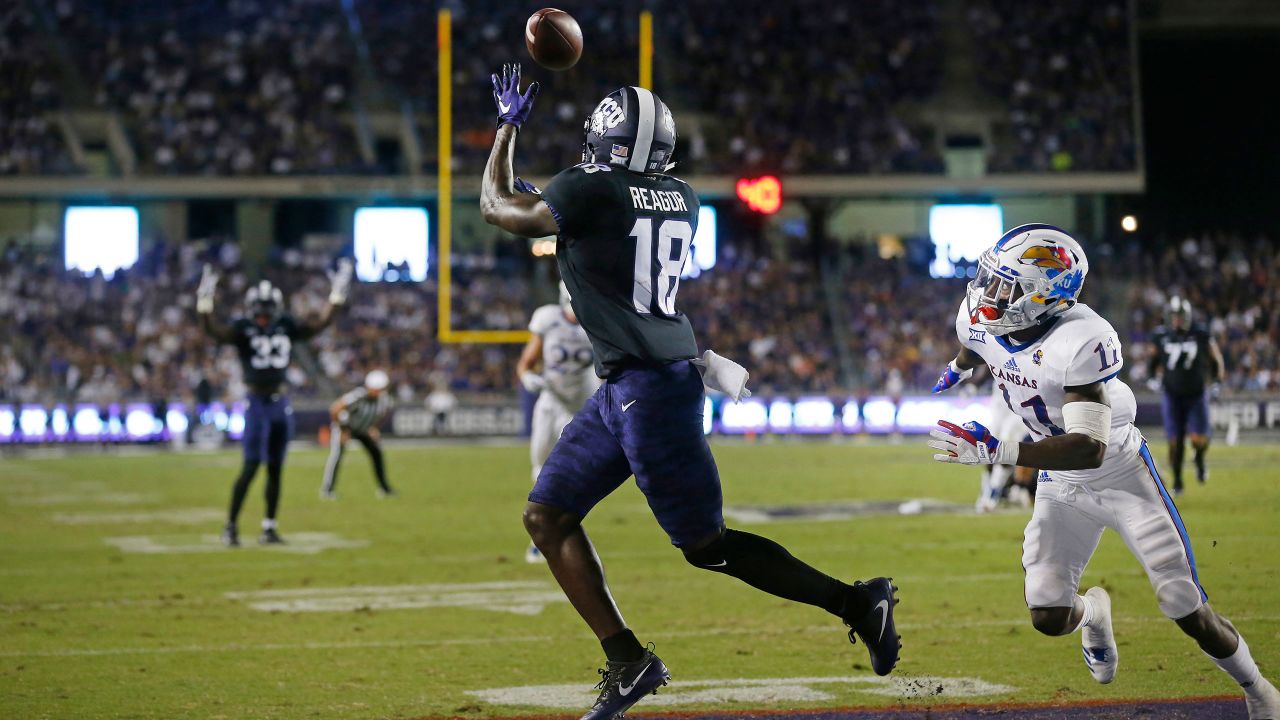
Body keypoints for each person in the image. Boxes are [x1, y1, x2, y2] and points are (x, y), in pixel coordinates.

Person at [479, 63, 900, 720]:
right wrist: (550, 194)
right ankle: (628, 663)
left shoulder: (589, 188)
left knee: (709, 548)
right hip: (631, 384)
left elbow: (497, 209)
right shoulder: (682, 197)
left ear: (604, 139)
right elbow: (583, 215)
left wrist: (506, 129)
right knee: (546, 516)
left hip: (652, 393)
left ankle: (858, 603)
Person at [929, 224, 1277, 718]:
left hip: (1117, 473)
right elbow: (972, 346)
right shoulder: (978, 315)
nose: (988, 294)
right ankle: (1094, 613)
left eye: (1007, 286)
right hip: (1062, 482)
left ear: (1046, 294)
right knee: (1048, 612)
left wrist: (999, 450)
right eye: (991, 279)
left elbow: (1087, 449)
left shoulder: (1083, 339)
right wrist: (957, 370)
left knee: (1182, 601)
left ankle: (1258, 688)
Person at [196, 260, 352, 547]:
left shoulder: (286, 325)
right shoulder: (243, 328)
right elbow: (214, 332)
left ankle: (269, 527)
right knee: (251, 465)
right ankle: (230, 526)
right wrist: (204, 302)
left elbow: (321, 323)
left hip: (280, 403)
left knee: (276, 468)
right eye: (261, 306)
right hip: (256, 402)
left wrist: (337, 296)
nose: (264, 313)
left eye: (268, 306)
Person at [516, 282, 600, 563]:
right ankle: (542, 535)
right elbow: (527, 360)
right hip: (551, 403)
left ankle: (549, 536)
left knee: (565, 474)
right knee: (539, 467)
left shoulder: (600, 320)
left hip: (580, 408)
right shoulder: (548, 318)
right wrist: (527, 375)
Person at [1148, 297, 1225, 495]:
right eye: (1174, 316)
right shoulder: (1161, 335)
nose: (1177, 320)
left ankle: (1199, 458)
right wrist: (1151, 378)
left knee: (1199, 440)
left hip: (1196, 394)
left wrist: (1217, 382)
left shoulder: (1200, 334)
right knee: (1175, 441)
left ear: (1188, 317)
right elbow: (1152, 360)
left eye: (1180, 316)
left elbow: (1216, 359)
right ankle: (1178, 480)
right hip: (1172, 395)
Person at [320, 370, 395, 499]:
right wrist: (343, 429)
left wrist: (373, 428)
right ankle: (327, 490)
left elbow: (382, 414)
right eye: (375, 389)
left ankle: (384, 489)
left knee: (376, 454)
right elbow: (335, 408)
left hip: (363, 429)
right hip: (346, 427)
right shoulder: (358, 396)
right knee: (336, 455)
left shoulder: (384, 400)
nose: (377, 392)